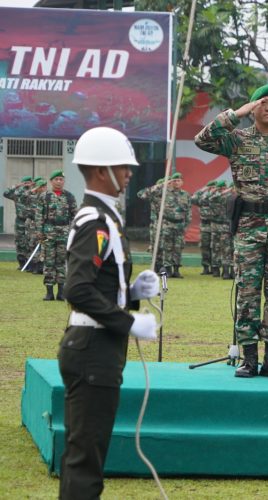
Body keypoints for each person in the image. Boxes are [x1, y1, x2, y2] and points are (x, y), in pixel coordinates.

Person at [58, 126, 160, 499]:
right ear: (102, 171)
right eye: (123, 166)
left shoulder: (108, 218)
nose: (130, 173)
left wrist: (131, 294)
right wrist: (128, 321)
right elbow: (77, 288)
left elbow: (98, 285)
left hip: (98, 348)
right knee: (85, 460)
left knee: (89, 454)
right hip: (92, 349)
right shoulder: (95, 222)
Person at [195, 81, 268, 379]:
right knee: (247, 291)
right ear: (253, 108)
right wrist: (237, 113)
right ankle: (248, 358)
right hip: (249, 226)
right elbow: (203, 139)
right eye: (262, 103)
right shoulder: (237, 140)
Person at [36, 170, 77, 300]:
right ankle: (49, 292)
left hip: (64, 232)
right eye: (56, 179)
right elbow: (39, 215)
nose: (59, 181)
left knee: (61, 261)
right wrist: (39, 231)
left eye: (61, 179)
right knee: (48, 261)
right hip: (48, 232)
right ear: (51, 181)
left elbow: (75, 216)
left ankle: (61, 292)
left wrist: (74, 232)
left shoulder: (69, 197)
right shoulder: (44, 196)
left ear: (64, 181)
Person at [3, 175, 35, 269]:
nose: (27, 184)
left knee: (31, 242)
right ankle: (22, 263)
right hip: (20, 221)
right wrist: (17, 185)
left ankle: (32, 264)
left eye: (29, 182)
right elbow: (6, 193)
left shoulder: (34, 193)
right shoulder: (17, 194)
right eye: (26, 183)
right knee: (20, 242)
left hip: (31, 221)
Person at [190, 180, 216, 275]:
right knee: (205, 247)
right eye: (211, 188)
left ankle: (215, 268)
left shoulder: (219, 197)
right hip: (205, 226)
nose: (212, 190)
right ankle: (206, 267)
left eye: (214, 188)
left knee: (216, 248)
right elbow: (192, 199)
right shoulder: (203, 198)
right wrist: (203, 189)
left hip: (216, 226)